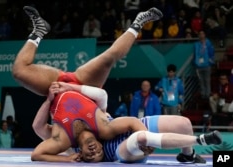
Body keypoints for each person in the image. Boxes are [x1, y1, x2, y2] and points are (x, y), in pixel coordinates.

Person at [14, 6, 163, 163]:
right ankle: (138, 22)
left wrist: (68, 159)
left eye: (90, 157)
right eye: (99, 153)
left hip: (56, 87)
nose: (94, 152)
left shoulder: (63, 140)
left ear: (81, 155)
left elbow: (36, 155)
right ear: (101, 144)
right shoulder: (104, 129)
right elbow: (133, 122)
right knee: (108, 58)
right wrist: (146, 138)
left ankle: (39, 30)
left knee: (19, 72)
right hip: (84, 83)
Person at [33, 82, 221, 163]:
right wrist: (65, 159)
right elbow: (38, 142)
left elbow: (102, 95)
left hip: (134, 128)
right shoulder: (64, 140)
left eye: (90, 155)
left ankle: (187, 156)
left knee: (185, 124)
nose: (94, 152)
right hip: (123, 150)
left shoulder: (100, 125)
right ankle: (200, 140)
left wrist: (57, 94)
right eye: (94, 157)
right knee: (140, 136)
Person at [193, 30, 215, 99]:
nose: (201, 35)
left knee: (207, 80)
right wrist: (195, 62)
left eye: (203, 34)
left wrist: (210, 61)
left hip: (207, 65)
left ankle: (208, 94)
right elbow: (195, 54)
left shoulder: (208, 43)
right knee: (201, 81)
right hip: (198, 65)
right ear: (198, 36)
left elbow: (211, 53)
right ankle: (203, 94)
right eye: (200, 34)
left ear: (205, 35)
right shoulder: (196, 44)